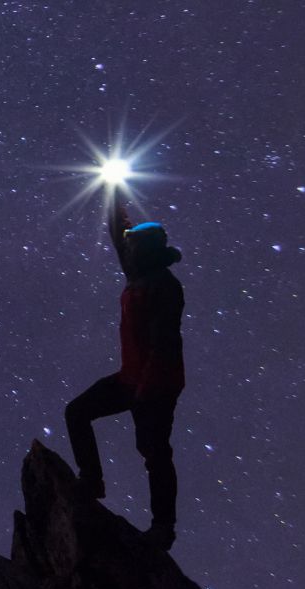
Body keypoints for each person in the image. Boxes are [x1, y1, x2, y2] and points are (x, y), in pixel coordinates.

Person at [64, 186, 186, 550]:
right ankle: (92, 481)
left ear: (146, 251)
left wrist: (144, 394)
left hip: (157, 384)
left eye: (134, 245)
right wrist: (113, 192)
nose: (127, 248)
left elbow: (163, 343)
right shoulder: (138, 273)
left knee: (153, 451)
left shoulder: (165, 287)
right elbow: (120, 235)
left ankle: (163, 527)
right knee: (78, 412)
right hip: (132, 377)